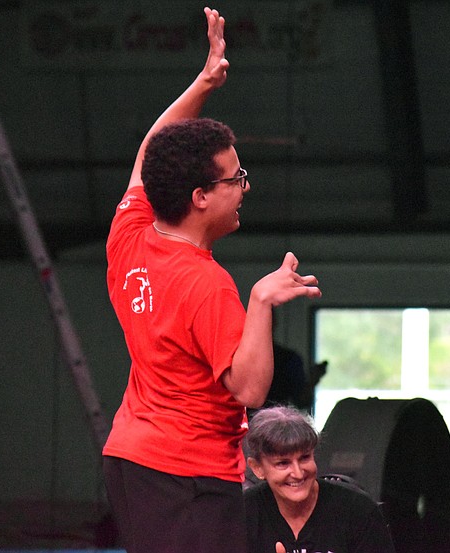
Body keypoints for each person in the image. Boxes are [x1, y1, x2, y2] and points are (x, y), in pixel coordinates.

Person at [101, 8, 322, 553]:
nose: (244, 187)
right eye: (236, 178)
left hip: (131, 461)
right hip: (189, 476)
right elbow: (249, 390)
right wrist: (261, 301)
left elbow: (151, 153)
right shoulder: (208, 284)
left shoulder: (130, 236)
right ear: (200, 197)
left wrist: (203, 83)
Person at [244, 406, 396, 553]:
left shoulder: (357, 510)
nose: (298, 473)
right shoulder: (244, 512)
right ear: (257, 468)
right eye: (283, 463)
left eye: (304, 458)